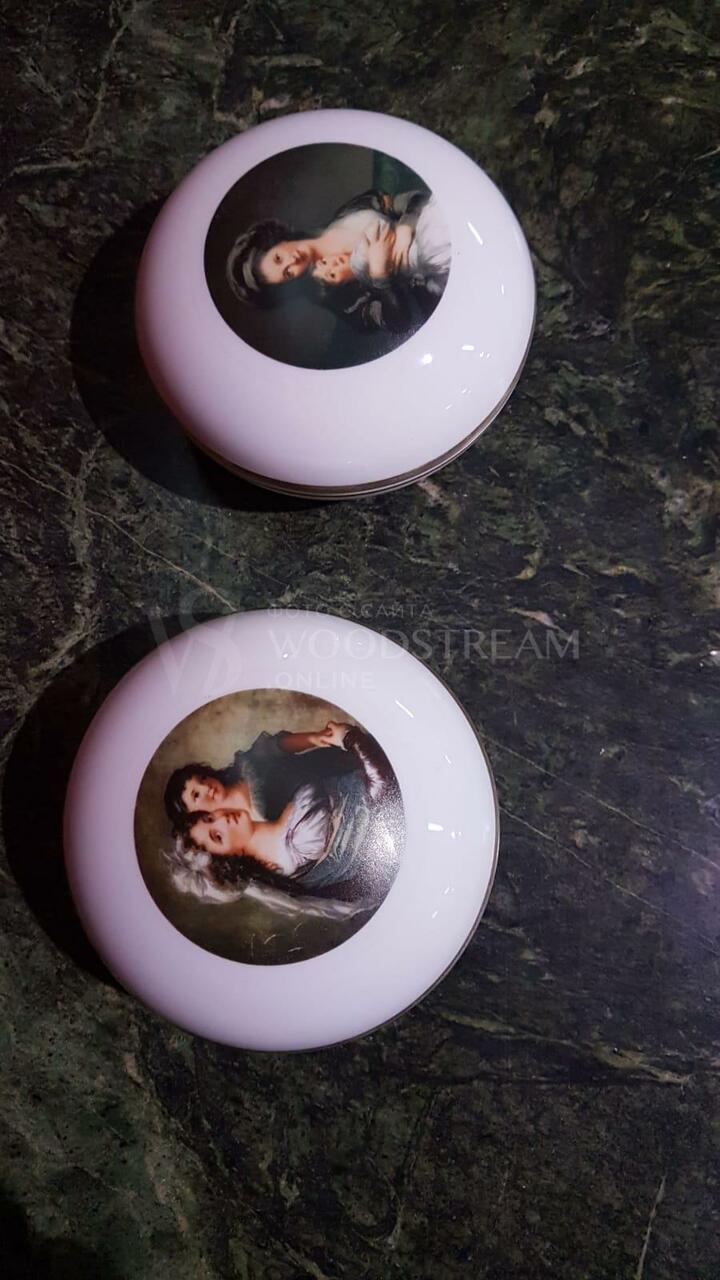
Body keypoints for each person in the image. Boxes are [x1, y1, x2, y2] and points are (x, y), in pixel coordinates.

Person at [166, 723, 403, 905]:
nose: (206, 788)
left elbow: (275, 747)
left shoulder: (246, 769)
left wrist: (317, 738)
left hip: (346, 772)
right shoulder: (267, 861)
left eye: (202, 779)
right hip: (371, 811)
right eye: (196, 796)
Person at [226, 189, 442, 335]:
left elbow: (417, 197)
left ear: (275, 241)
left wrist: (406, 225)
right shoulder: (337, 294)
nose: (292, 261)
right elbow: (400, 323)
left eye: (278, 258)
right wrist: (380, 273)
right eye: (287, 273)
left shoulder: (351, 211)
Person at [312, 193, 451, 298]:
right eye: (332, 274)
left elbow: (414, 199)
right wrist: (379, 272)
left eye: (324, 262)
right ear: (344, 285)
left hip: (423, 228)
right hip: (429, 261)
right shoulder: (370, 285)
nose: (333, 263)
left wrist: (405, 226)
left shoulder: (357, 239)